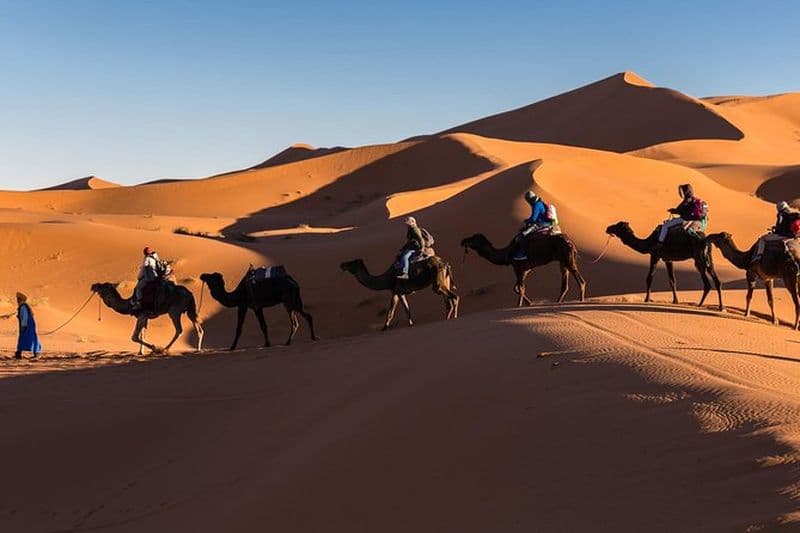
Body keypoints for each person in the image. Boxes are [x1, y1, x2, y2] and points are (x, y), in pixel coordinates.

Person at [1, 293, 42, 359]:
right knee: (27, 338)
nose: (17, 300)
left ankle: (35, 353)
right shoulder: (24, 306)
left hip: (27, 326)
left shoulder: (23, 307)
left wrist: (23, 326)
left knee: (29, 338)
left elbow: (24, 317)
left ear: (20, 299)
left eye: (18, 299)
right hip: (28, 325)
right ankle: (19, 353)